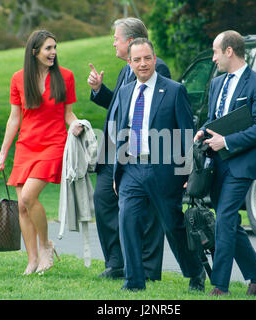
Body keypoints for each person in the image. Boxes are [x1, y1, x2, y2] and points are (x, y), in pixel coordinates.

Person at [113, 38, 205, 291]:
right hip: (131, 168)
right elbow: (121, 131)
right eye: (136, 59)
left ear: (154, 59)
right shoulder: (125, 92)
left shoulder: (174, 90)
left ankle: (195, 271)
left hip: (164, 170)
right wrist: (117, 172)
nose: (142, 64)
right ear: (129, 63)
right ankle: (134, 282)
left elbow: (187, 133)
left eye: (146, 58)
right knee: (127, 221)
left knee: (173, 226)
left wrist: (188, 171)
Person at [0, 30, 83, 275]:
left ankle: (46, 246)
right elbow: (14, 118)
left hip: (54, 144)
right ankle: (32, 260)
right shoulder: (18, 78)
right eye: (48, 48)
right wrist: (3, 153)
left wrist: (75, 124)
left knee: (27, 198)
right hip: (26, 146)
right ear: (34, 52)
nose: (53, 52)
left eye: (55, 47)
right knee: (22, 206)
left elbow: (68, 113)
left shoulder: (66, 77)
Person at [87, 18, 170, 281]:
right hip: (114, 150)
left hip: (141, 153)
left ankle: (147, 270)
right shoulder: (126, 69)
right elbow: (122, 105)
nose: (113, 42)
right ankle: (117, 263)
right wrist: (99, 91)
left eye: (116, 38)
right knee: (103, 200)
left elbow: (158, 112)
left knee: (148, 212)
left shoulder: (158, 69)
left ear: (131, 41)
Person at [194, 30, 256, 296]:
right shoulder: (218, 82)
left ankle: (220, 286)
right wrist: (203, 131)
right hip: (218, 164)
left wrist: (226, 142)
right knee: (229, 222)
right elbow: (215, 118)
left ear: (229, 51)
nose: (213, 58)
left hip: (243, 164)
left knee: (225, 218)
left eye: (216, 52)